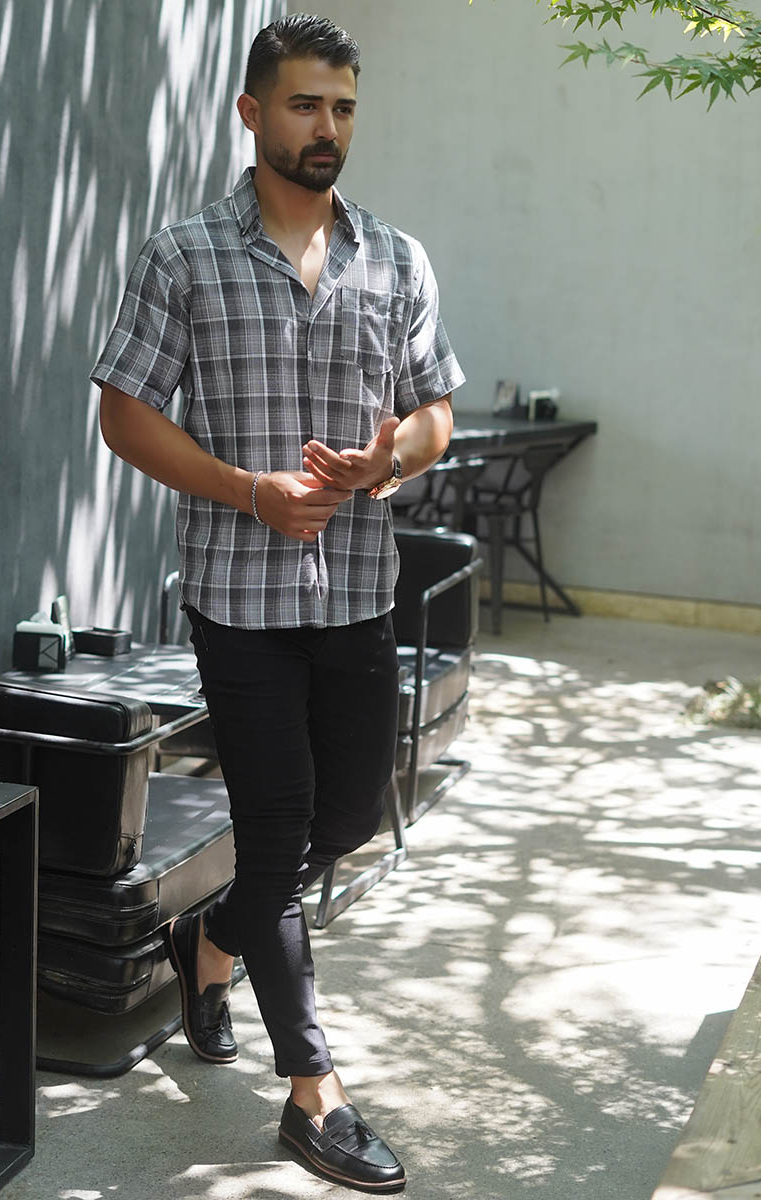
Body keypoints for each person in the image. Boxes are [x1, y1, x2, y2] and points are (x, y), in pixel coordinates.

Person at [91, 13, 463, 1193]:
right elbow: (124, 413)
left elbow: (435, 411)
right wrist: (248, 490)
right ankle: (313, 1090)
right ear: (253, 113)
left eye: (343, 106)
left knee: (342, 818)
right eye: (305, 104)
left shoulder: (396, 259)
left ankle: (208, 938)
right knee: (276, 823)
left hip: (357, 590)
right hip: (239, 598)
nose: (327, 127)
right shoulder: (181, 257)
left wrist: (389, 457)